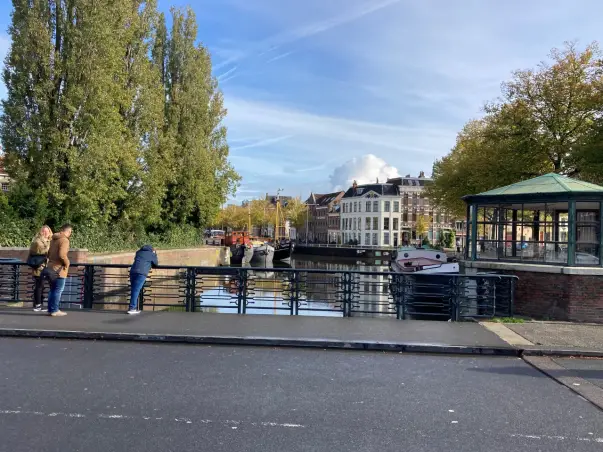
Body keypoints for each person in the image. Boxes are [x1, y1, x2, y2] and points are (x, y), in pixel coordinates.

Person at [45, 224, 73, 317]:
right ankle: (55, 310)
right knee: (58, 290)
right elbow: (62, 255)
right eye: (70, 232)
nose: (70, 234)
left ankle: (50, 309)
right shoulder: (64, 240)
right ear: (68, 231)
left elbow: (48, 253)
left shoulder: (54, 239)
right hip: (59, 270)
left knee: (52, 290)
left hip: (50, 267)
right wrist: (67, 263)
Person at [27, 225, 53, 311]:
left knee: (42, 286)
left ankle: (40, 303)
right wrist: (49, 249)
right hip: (38, 266)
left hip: (46, 266)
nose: (46, 233)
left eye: (47, 231)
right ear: (41, 232)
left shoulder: (50, 241)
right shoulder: (37, 241)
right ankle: (38, 304)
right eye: (44, 231)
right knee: (39, 285)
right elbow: (41, 251)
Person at [128, 245, 158, 315]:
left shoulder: (138, 252)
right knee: (136, 290)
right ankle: (132, 308)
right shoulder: (152, 254)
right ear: (152, 249)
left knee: (134, 290)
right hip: (141, 273)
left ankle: (133, 307)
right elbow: (156, 264)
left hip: (133, 272)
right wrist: (155, 254)